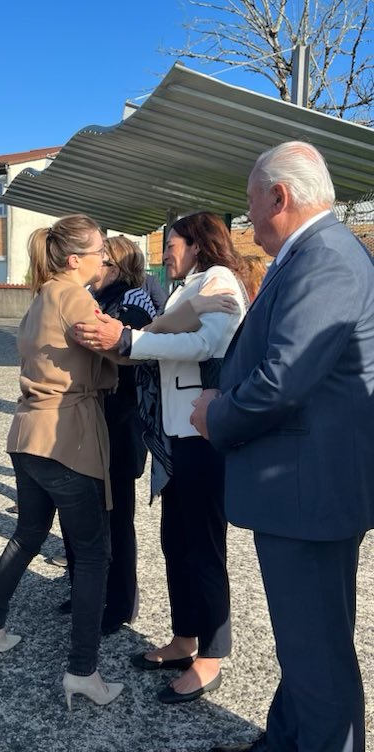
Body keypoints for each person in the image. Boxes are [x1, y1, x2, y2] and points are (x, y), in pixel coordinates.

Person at [191, 141, 374, 752]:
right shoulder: (315, 255)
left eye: (249, 206)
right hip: (304, 487)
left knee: (317, 654)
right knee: (307, 641)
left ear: (280, 196)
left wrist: (217, 413)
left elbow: (283, 378)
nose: (246, 222)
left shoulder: (327, 258)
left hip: (308, 491)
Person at [75, 213, 246, 705]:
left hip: (201, 433)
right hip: (174, 435)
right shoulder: (191, 283)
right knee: (176, 541)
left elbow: (209, 342)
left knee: (203, 546)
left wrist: (132, 341)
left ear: (197, 244)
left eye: (171, 243)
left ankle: (210, 656)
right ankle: (185, 638)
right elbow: (173, 335)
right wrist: (139, 340)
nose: (165, 251)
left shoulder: (219, 280)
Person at [0, 214, 124, 709]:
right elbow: (115, 348)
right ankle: (83, 671)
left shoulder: (39, 296)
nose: (107, 258)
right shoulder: (75, 296)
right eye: (101, 250)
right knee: (93, 554)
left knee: (29, 534)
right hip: (67, 437)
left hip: (27, 432)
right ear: (76, 258)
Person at [60, 235, 157, 633]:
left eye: (99, 260)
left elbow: (130, 357)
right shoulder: (90, 298)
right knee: (87, 512)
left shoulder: (133, 302)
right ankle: (88, 590)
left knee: (116, 516)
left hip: (120, 422)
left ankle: (118, 603)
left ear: (114, 266)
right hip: (96, 419)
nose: (91, 267)